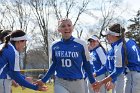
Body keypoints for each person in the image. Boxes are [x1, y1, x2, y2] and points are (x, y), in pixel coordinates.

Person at [34, 18, 98, 93]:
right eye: (63, 26)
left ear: (73, 28)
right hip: (61, 82)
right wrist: (44, 80)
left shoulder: (81, 44)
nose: (66, 28)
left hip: (78, 82)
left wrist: (92, 81)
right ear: (59, 29)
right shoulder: (54, 45)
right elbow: (54, 65)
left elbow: (87, 65)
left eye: (69, 25)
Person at [93, 23, 126, 93]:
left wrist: (112, 81)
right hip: (111, 78)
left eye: (107, 35)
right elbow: (106, 67)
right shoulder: (111, 50)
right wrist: (95, 73)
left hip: (120, 78)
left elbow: (119, 70)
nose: (106, 37)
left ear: (113, 35)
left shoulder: (120, 48)